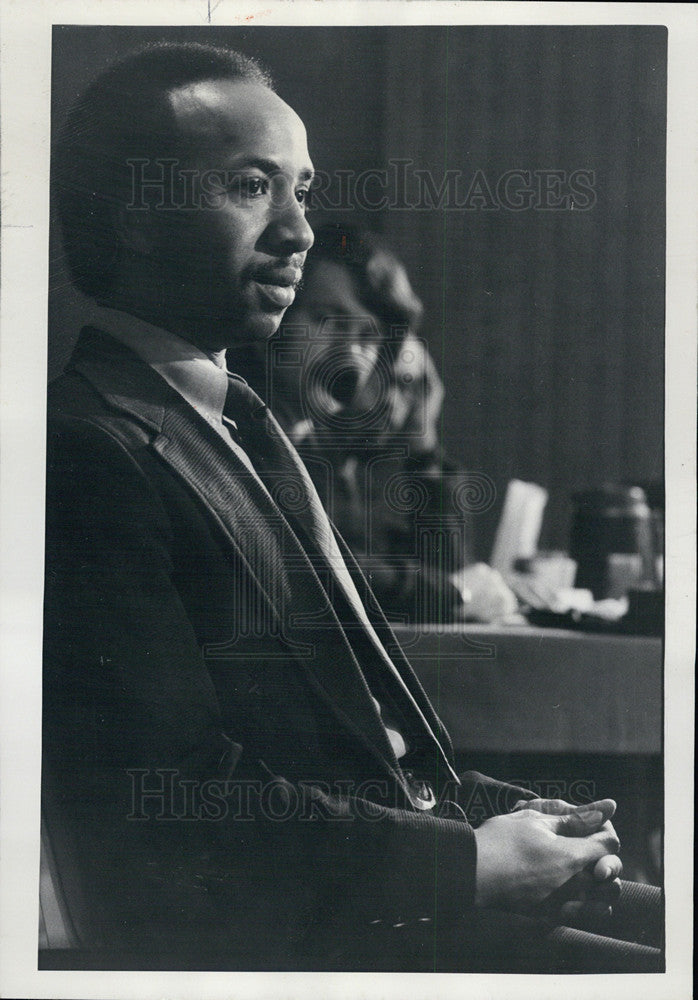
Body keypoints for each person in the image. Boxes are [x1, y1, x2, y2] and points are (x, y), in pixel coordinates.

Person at [43, 41, 662, 972]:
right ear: (133, 214)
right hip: (304, 945)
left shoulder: (233, 425)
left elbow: (367, 751)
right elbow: (172, 807)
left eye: (303, 188)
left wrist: (504, 814)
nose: (298, 231)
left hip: (381, 889)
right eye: (254, 186)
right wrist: (468, 865)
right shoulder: (86, 448)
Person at [228, 223, 519, 624]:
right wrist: (453, 593)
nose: (347, 354)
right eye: (328, 320)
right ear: (279, 312)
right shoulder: (233, 431)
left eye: (367, 335)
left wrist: (423, 441)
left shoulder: (310, 448)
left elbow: (447, 572)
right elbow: (309, 567)